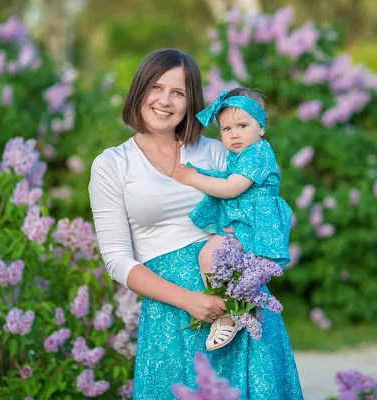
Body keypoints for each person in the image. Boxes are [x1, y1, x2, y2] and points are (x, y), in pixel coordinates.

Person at [89, 48, 303, 399]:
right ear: (140, 90)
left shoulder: (218, 153)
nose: (165, 101)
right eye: (156, 88)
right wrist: (189, 300)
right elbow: (115, 259)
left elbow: (261, 209)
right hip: (171, 310)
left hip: (236, 306)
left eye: (179, 92)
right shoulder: (112, 164)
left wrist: (244, 273)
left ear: (192, 102)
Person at [171, 88, 292, 351]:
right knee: (217, 260)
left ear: (260, 128)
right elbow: (225, 179)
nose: (234, 134)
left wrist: (193, 178)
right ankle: (234, 305)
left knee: (210, 256)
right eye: (226, 129)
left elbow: (231, 188)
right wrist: (199, 172)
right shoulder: (240, 155)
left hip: (256, 224)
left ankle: (228, 314)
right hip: (242, 222)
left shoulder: (258, 153)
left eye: (242, 125)